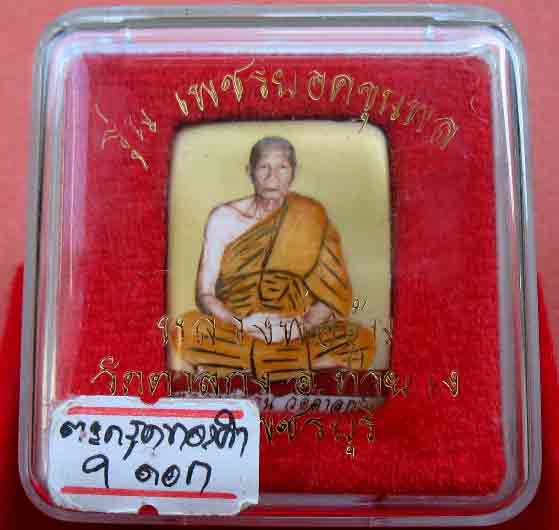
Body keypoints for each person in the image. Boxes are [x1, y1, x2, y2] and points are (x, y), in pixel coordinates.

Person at [170, 136, 375, 381]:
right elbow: (205, 294)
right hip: (237, 329)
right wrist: (239, 323)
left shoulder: (311, 215)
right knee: (185, 329)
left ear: (294, 172)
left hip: (294, 331)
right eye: (264, 167)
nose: (272, 177)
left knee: (360, 339)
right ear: (250, 171)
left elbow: (331, 297)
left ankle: (248, 364)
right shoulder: (223, 218)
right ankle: (293, 364)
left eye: (282, 168)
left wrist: (303, 325)